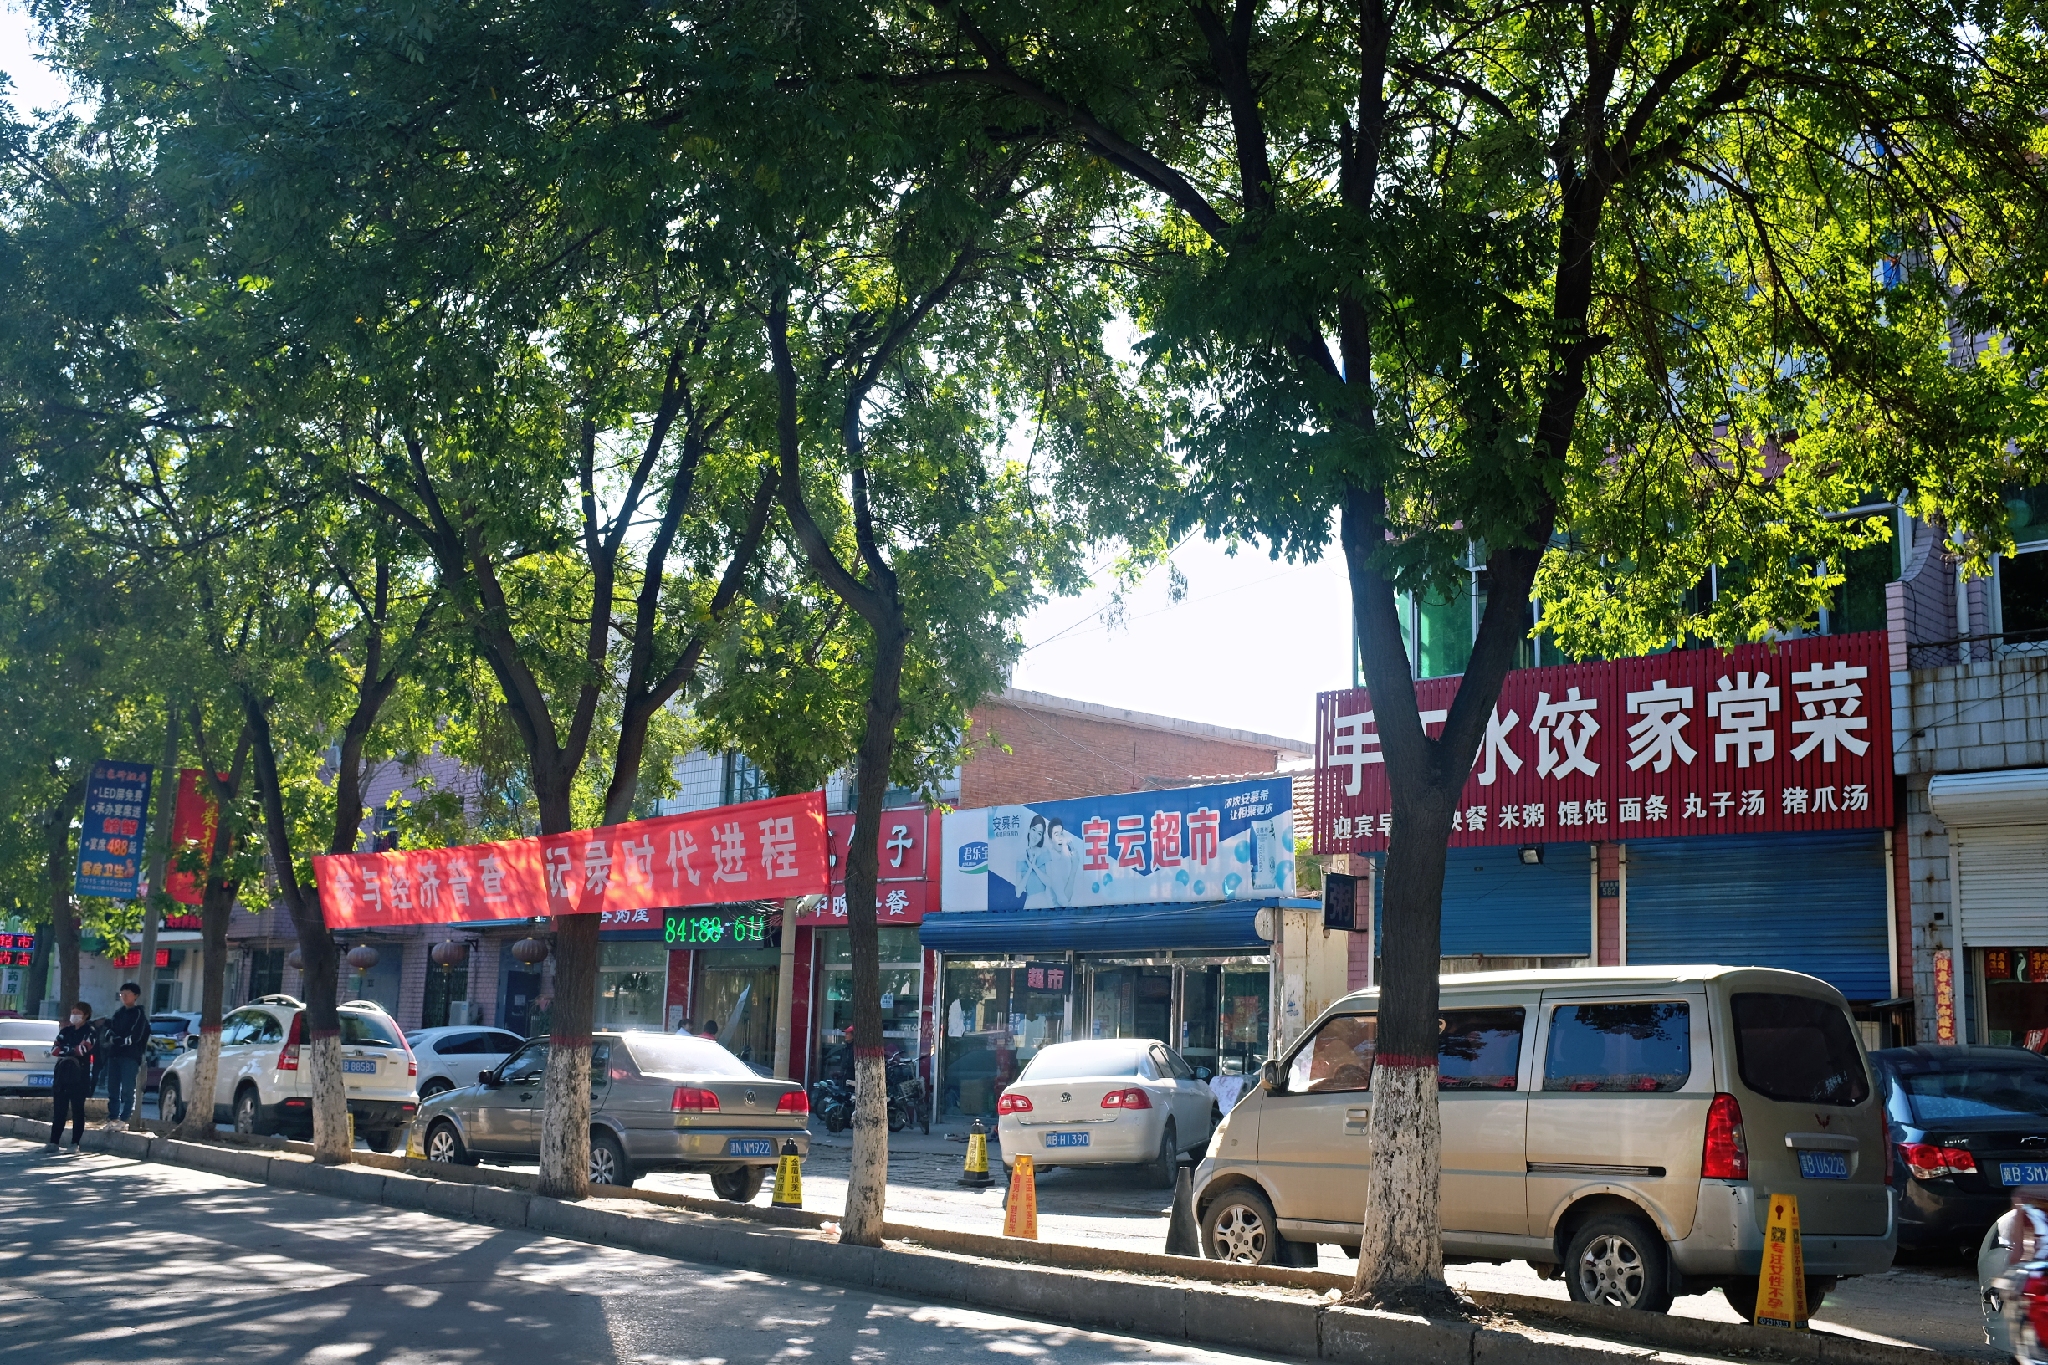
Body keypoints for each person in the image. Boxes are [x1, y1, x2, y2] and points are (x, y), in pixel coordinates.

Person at [47, 1001, 97, 1154]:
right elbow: (55, 1049)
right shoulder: (66, 1030)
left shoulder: (90, 1031)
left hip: (79, 1076)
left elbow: (83, 1049)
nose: (74, 1015)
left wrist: (66, 1049)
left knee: (77, 1110)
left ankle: (75, 1143)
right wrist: (69, 1049)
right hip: (62, 1075)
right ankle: (53, 1142)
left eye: (78, 1013)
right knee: (59, 1110)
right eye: (73, 1012)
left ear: (86, 1015)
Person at [101, 982, 150, 1132]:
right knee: (112, 1088)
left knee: (128, 1089)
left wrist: (120, 1040)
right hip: (114, 1055)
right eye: (122, 994)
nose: (124, 996)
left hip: (130, 1056)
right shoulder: (118, 1013)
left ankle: (124, 1119)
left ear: (135, 996)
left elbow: (135, 1037)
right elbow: (110, 1030)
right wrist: (112, 1037)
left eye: (127, 994)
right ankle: (113, 1117)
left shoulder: (139, 1015)